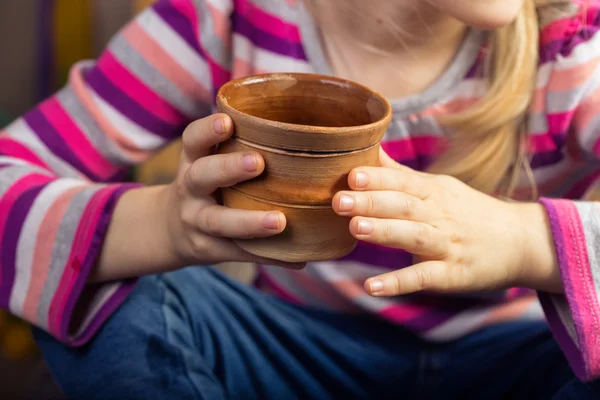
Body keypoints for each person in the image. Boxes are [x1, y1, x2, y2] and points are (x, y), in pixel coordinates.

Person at [2, 0, 600, 398]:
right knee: (94, 291)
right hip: (284, 358)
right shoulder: (227, 18)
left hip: (522, 365)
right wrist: (165, 225)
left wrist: (527, 241)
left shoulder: (577, 43)